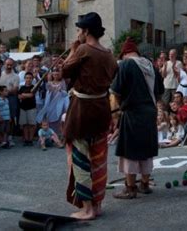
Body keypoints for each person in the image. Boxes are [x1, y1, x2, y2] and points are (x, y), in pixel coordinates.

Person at [62, 12, 118, 219]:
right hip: (101, 109)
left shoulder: (84, 49)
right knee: (98, 159)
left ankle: (87, 209)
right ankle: (98, 204)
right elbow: (112, 75)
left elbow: (64, 71)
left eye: (79, 30)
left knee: (81, 159)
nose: (78, 33)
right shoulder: (109, 54)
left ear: (86, 31)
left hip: (82, 111)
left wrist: (73, 49)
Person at [112, 37, 159, 200]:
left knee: (129, 151)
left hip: (132, 111)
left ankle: (130, 188)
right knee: (146, 149)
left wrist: (120, 107)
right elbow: (159, 90)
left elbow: (116, 91)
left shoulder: (126, 64)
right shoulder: (151, 66)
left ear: (124, 54)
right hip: (150, 110)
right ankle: (144, 185)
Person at [0, 58, 20, 146]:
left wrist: (3, 93)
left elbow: (15, 90)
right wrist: (2, 94)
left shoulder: (16, 76)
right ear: (4, 64)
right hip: (0, 99)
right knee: (0, 118)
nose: (9, 66)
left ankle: (9, 137)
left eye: (11, 65)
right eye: (7, 64)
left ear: (13, 65)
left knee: (10, 118)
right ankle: (1, 138)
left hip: (11, 99)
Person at [18, 72, 37, 146]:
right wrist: (26, 95)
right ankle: (26, 139)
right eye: (27, 78)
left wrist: (23, 94)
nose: (28, 79)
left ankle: (30, 140)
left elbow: (31, 95)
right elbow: (19, 97)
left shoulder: (34, 87)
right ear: (24, 78)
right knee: (25, 125)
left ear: (32, 79)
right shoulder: (22, 87)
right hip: (23, 108)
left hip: (31, 108)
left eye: (30, 78)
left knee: (31, 125)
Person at [0, 86, 11, 150]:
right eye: (5, 91)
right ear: (1, 92)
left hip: (6, 118)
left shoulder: (6, 99)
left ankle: (4, 142)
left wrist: (9, 117)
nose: (7, 92)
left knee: (6, 130)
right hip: (0, 118)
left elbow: (8, 109)